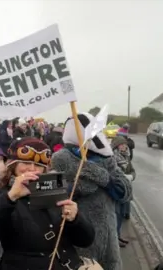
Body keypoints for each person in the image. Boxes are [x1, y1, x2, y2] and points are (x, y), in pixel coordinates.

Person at [0, 137, 96, 270]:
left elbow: (86, 241)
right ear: (13, 165)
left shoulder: (52, 188)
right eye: (25, 162)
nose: (32, 169)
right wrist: (10, 197)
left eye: (38, 165)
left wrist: (76, 219)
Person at [52, 113, 132, 270]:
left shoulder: (106, 158)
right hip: (80, 234)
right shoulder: (62, 159)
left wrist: (105, 179)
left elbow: (125, 192)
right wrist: (80, 187)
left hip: (109, 234)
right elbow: (56, 194)